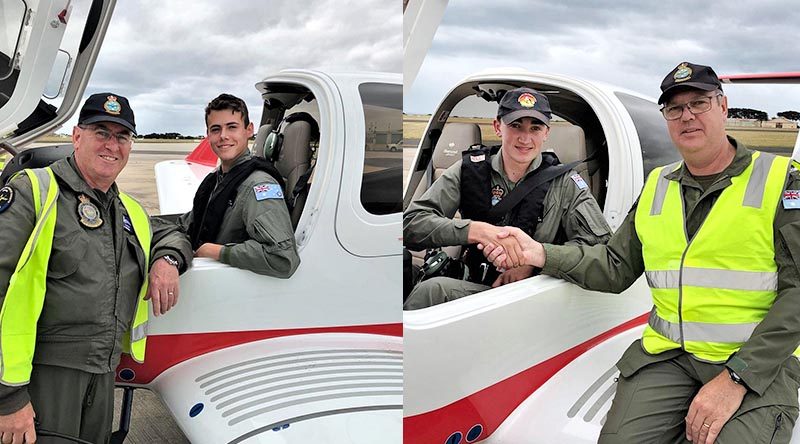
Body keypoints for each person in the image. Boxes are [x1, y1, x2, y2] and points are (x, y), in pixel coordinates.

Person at [482, 62, 800, 444]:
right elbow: (614, 266)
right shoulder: (657, 184)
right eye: (674, 109)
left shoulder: (781, 181)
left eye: (698, 103)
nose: (687, 116)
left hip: (754, 361)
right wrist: (540, 254)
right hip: (668, 358)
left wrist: (737, 378)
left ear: (723, 106)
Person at [0, 93, 191, 443]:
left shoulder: (129, 211)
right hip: (43, 376)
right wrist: (7, 397)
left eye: (121, 136)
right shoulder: (35, 192)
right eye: (101, 132)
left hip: (103, 377)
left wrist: (167, 260)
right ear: (76, 136)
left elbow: (174, 233)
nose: (112, 145)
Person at [403, 87, 610, 310]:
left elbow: (601, 251)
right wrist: (477, 231)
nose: (525, 138)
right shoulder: (469, 170)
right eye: (515, 125)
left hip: (533, 295)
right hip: (480, 286)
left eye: (535, 128)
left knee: (432, 292)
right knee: (418, 280)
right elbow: (411, 224)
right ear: (497, 127)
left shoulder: (566, 183)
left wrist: (537, 261)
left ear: (546, 133)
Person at [177, 93, 300, 277]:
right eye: (216, 129)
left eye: (232, 127)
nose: (223, 136)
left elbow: (282, 257)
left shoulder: (258, 185)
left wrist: (216, 251)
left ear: (248, 130)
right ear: (208, 135)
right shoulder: (218, 179)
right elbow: (189, 223)